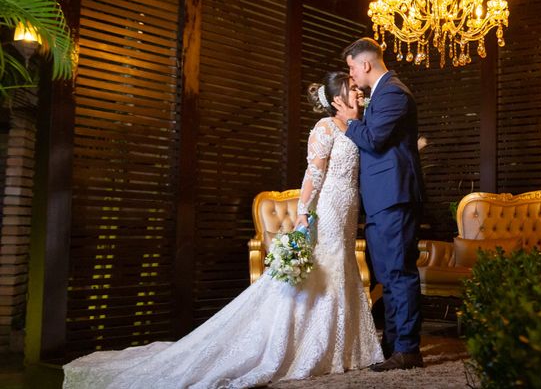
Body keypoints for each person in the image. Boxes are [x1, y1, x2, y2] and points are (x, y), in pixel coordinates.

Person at [63, 72, 383, 389]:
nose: (359, 93)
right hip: (327, 209)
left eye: (357, 88)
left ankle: (344, 348)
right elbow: (313, 174)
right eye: (352, 89)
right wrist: (302, 213)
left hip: (348, 210)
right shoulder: (324, 127)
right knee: (328, 269)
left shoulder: (356, 128)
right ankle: (310, 347)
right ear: (337, 98)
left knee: (341, 267)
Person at [332, 37, 425, 372]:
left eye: (352, 67)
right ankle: (392, 344)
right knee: (387, 273)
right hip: (381, 198)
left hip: (395, 196)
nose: (352, 75)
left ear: (366, 64)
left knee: (399, 272)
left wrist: (351, 121)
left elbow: (372, 141)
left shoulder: (394, 93)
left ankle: (408, 349)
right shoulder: (381, 94)